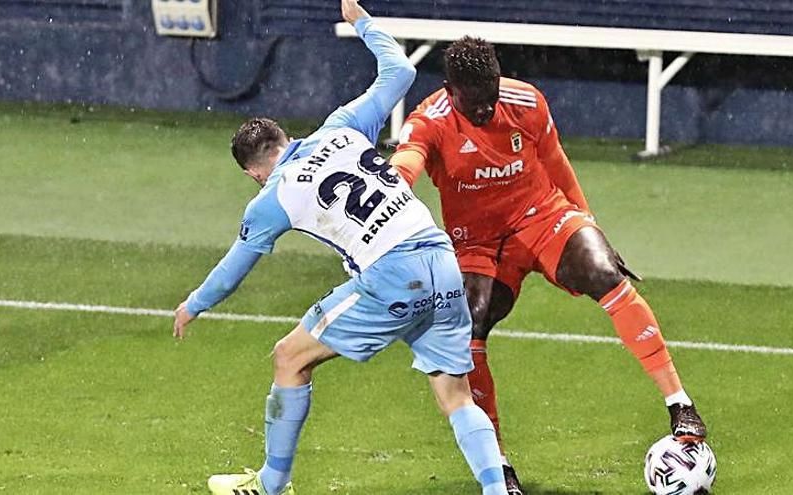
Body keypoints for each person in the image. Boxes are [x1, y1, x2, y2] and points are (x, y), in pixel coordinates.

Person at [172, 5, 508, 495]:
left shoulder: (272, 196)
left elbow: (233, 268)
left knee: (289, 358)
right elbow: (402, 71)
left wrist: (194, 303)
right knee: (456, 394)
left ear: (254, 172)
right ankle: (497, 491)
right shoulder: (342, 126)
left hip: (390, 274)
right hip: (441, 259)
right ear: (284, 136)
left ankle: (270, 485)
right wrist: (361, 19)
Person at [390, 36, 708, 495]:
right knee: (470, 323)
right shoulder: (429, 121)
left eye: (489, 98)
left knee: (605, 273)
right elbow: (407, 164)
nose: (483, 111)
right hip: (479, 243)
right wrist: (391, 184)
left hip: (542, 215)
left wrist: (589, 225)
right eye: (472, 104)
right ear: (449, 89)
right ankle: (497, 465)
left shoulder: (526, 101)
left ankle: (680, 404)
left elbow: (556, 162)